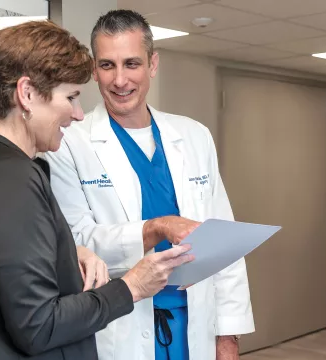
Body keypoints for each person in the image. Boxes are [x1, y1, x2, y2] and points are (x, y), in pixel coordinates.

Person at [0, 20, 194, 360]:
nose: (76, 114)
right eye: (70, 96)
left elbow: (6, 266)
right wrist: (131, 287)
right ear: (27, 94)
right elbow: (38, 325)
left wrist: (67, 253)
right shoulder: (10, 182)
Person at [45, 9, 255, 360]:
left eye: (132, 63)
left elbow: (224, 242)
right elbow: (75, 243)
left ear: (152, 65)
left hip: (195, 325)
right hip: (119, 328)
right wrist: (156, 228)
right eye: (108, 65)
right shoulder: (68, 143)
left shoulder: (193, 135)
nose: (120, 80)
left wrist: (228, 335)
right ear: (94, 70)